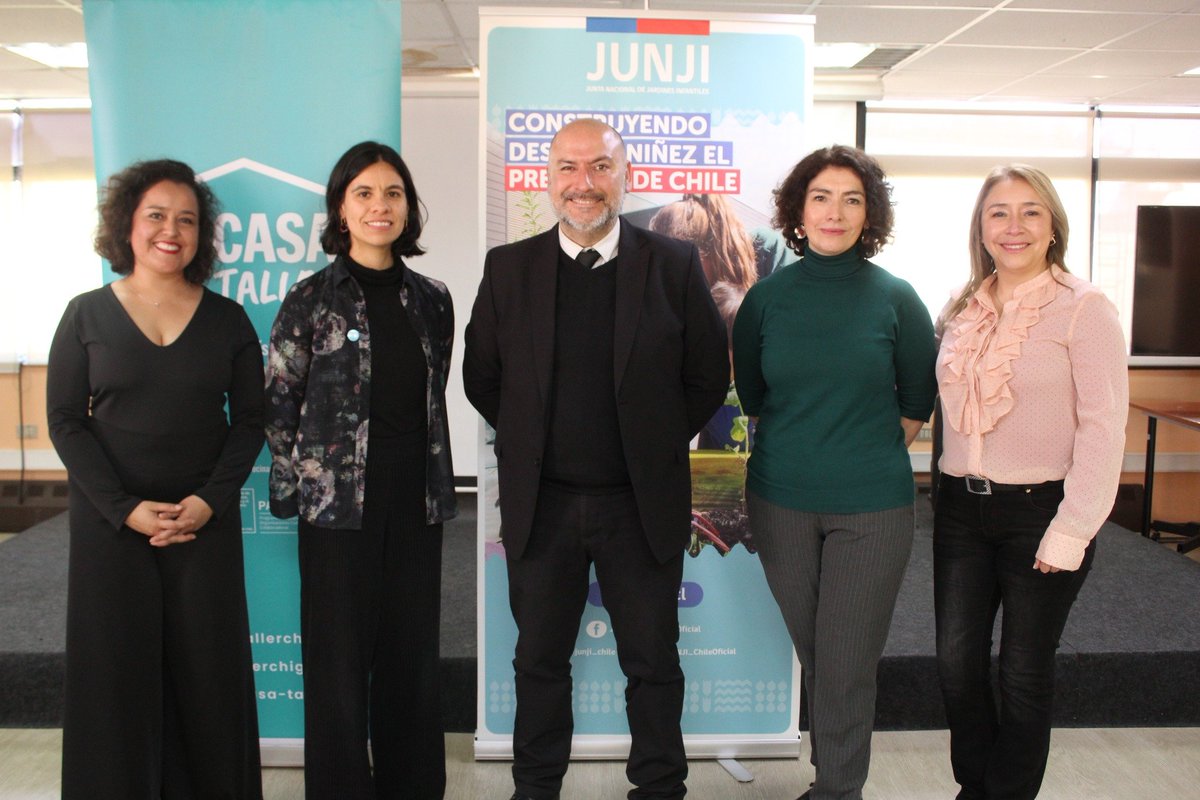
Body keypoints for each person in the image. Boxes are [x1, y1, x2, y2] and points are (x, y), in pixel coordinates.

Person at [463, 118, 729, 800]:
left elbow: (707, 375)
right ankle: (536, 789)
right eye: (568, 167)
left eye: (600, 167)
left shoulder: (673, 265)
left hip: (639, 505)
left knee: (653, 664)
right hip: (542, 505)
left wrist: (653, 442)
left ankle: (659, 788)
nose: (584, 183)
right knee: (538, 663)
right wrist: (531, 438)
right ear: (548, 179)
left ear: (625, 176)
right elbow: (482, 378)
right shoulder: (508, 268)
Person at [47, 159, 263, 799]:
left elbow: (251, 421)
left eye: (187, 220)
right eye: (157, 216)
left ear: (201, 235)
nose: (171, 231)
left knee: (208, 677)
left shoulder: (229, 320)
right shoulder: (85, 315)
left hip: (202, 525)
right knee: (114, 675)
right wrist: (123, 508)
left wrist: (208, 502)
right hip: (111, 528)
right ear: (127, 225)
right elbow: (66, 422)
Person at [731, 145, 938, 800]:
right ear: (799, 210)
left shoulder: (897, 299)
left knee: (846, 661)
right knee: (821, 653)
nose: (835, 212)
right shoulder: (765, 300)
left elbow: (917, 401)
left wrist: (859, 453)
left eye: (852, 200)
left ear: (869, 215)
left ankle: (838, 790)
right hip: (780, 502)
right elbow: (755, 396)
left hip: (872, 509)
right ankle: (835, 775)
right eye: (821, 197)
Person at [265, 141, 456, 799]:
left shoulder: (433, 299)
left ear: (409, 207)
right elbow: (279, 401)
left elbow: (431, 392)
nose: (381, 206)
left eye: (393, 193)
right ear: (341, 210)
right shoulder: (310, 299)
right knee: (338, 665)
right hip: (335, 509)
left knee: (411, 659)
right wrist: (298, 487)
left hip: (416, 501)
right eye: (365, 193)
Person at [933, 165, 1127, 800]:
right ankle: (976, 786)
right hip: (960, 510)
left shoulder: (1084, 308)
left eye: (1030, 212)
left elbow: (1104, 429)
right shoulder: (961, 308)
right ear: (981, 228)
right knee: (956, 665)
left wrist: (1073, 529)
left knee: (1022, 670)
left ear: (1053, 227)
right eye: (999, 212)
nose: (1013, 226)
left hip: (1042, 510)